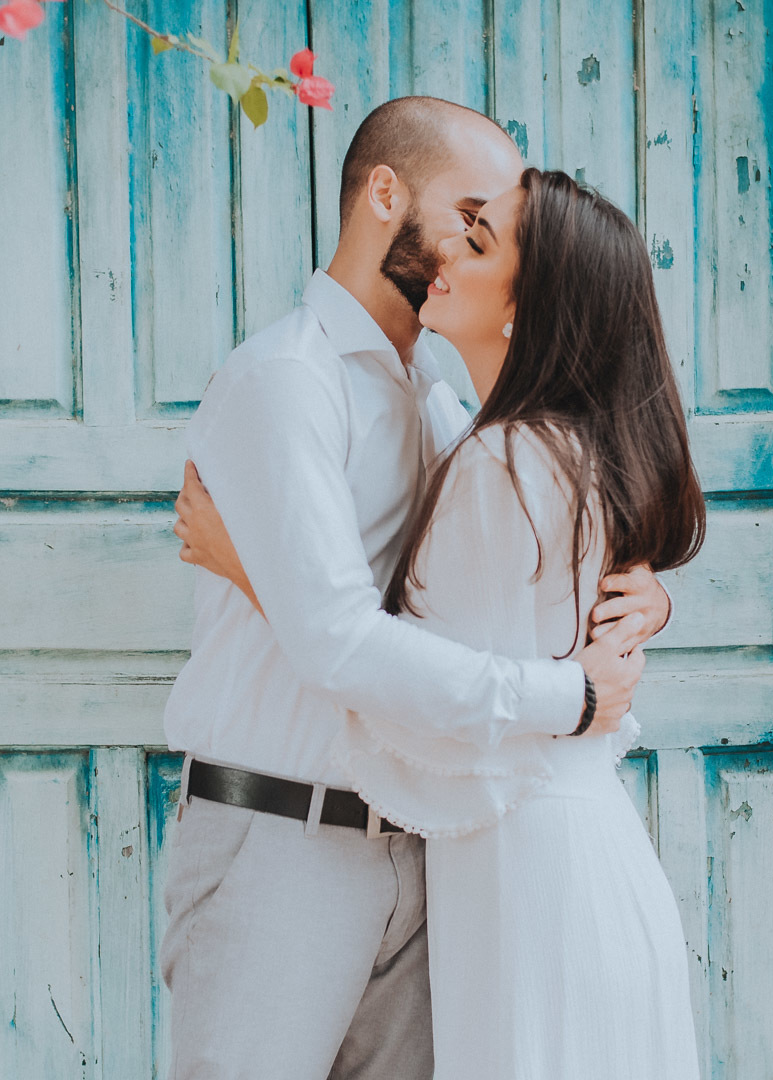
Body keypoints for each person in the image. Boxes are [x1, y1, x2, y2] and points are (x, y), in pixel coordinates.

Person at [163, 98, 671, 1080]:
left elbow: (482, 598)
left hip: (431, 852)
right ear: (384, 194)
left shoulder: (439, 393)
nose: (478, 245)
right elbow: (341, 642)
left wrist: (639, 591)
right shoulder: (286, 382)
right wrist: (569, 696)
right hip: (282, 840)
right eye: (472, 213)